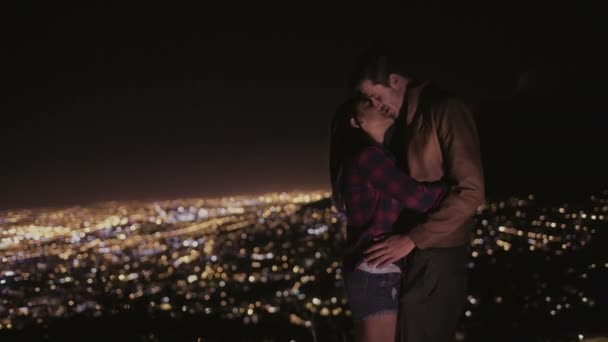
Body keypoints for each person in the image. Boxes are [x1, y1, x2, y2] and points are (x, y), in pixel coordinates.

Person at [350, 46, 485, 342]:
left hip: (437, 251)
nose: (375, 104)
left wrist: (413, 239)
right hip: (411, 252)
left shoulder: (444, 109)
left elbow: (472, 191)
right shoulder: (402, 125)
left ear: (395, 81)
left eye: (377, 95)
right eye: (369, 100)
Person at [330, 95, 448, 342]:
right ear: (355, 122)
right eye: (368, 104)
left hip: (373, 268)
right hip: (375, 269)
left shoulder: (372, 157)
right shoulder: (368, 157)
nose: (378, 105)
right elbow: (417, 198)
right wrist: (457, 190)